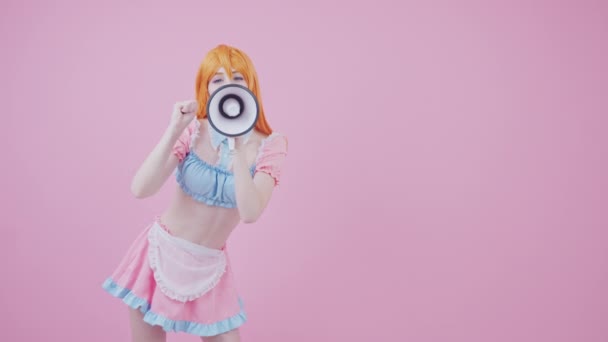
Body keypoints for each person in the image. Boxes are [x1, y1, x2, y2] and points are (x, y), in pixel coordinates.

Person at [101, 44, 288, 342]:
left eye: (237, 78)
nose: (228, 86)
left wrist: (237, 146)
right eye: (218, 79)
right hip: (160, 256)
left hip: (209, 269)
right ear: (206, 88)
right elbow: (140, 189)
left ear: (251, 84)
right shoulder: (194, 131)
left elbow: (251, 213)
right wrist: (174, 128)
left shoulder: (271, 144)